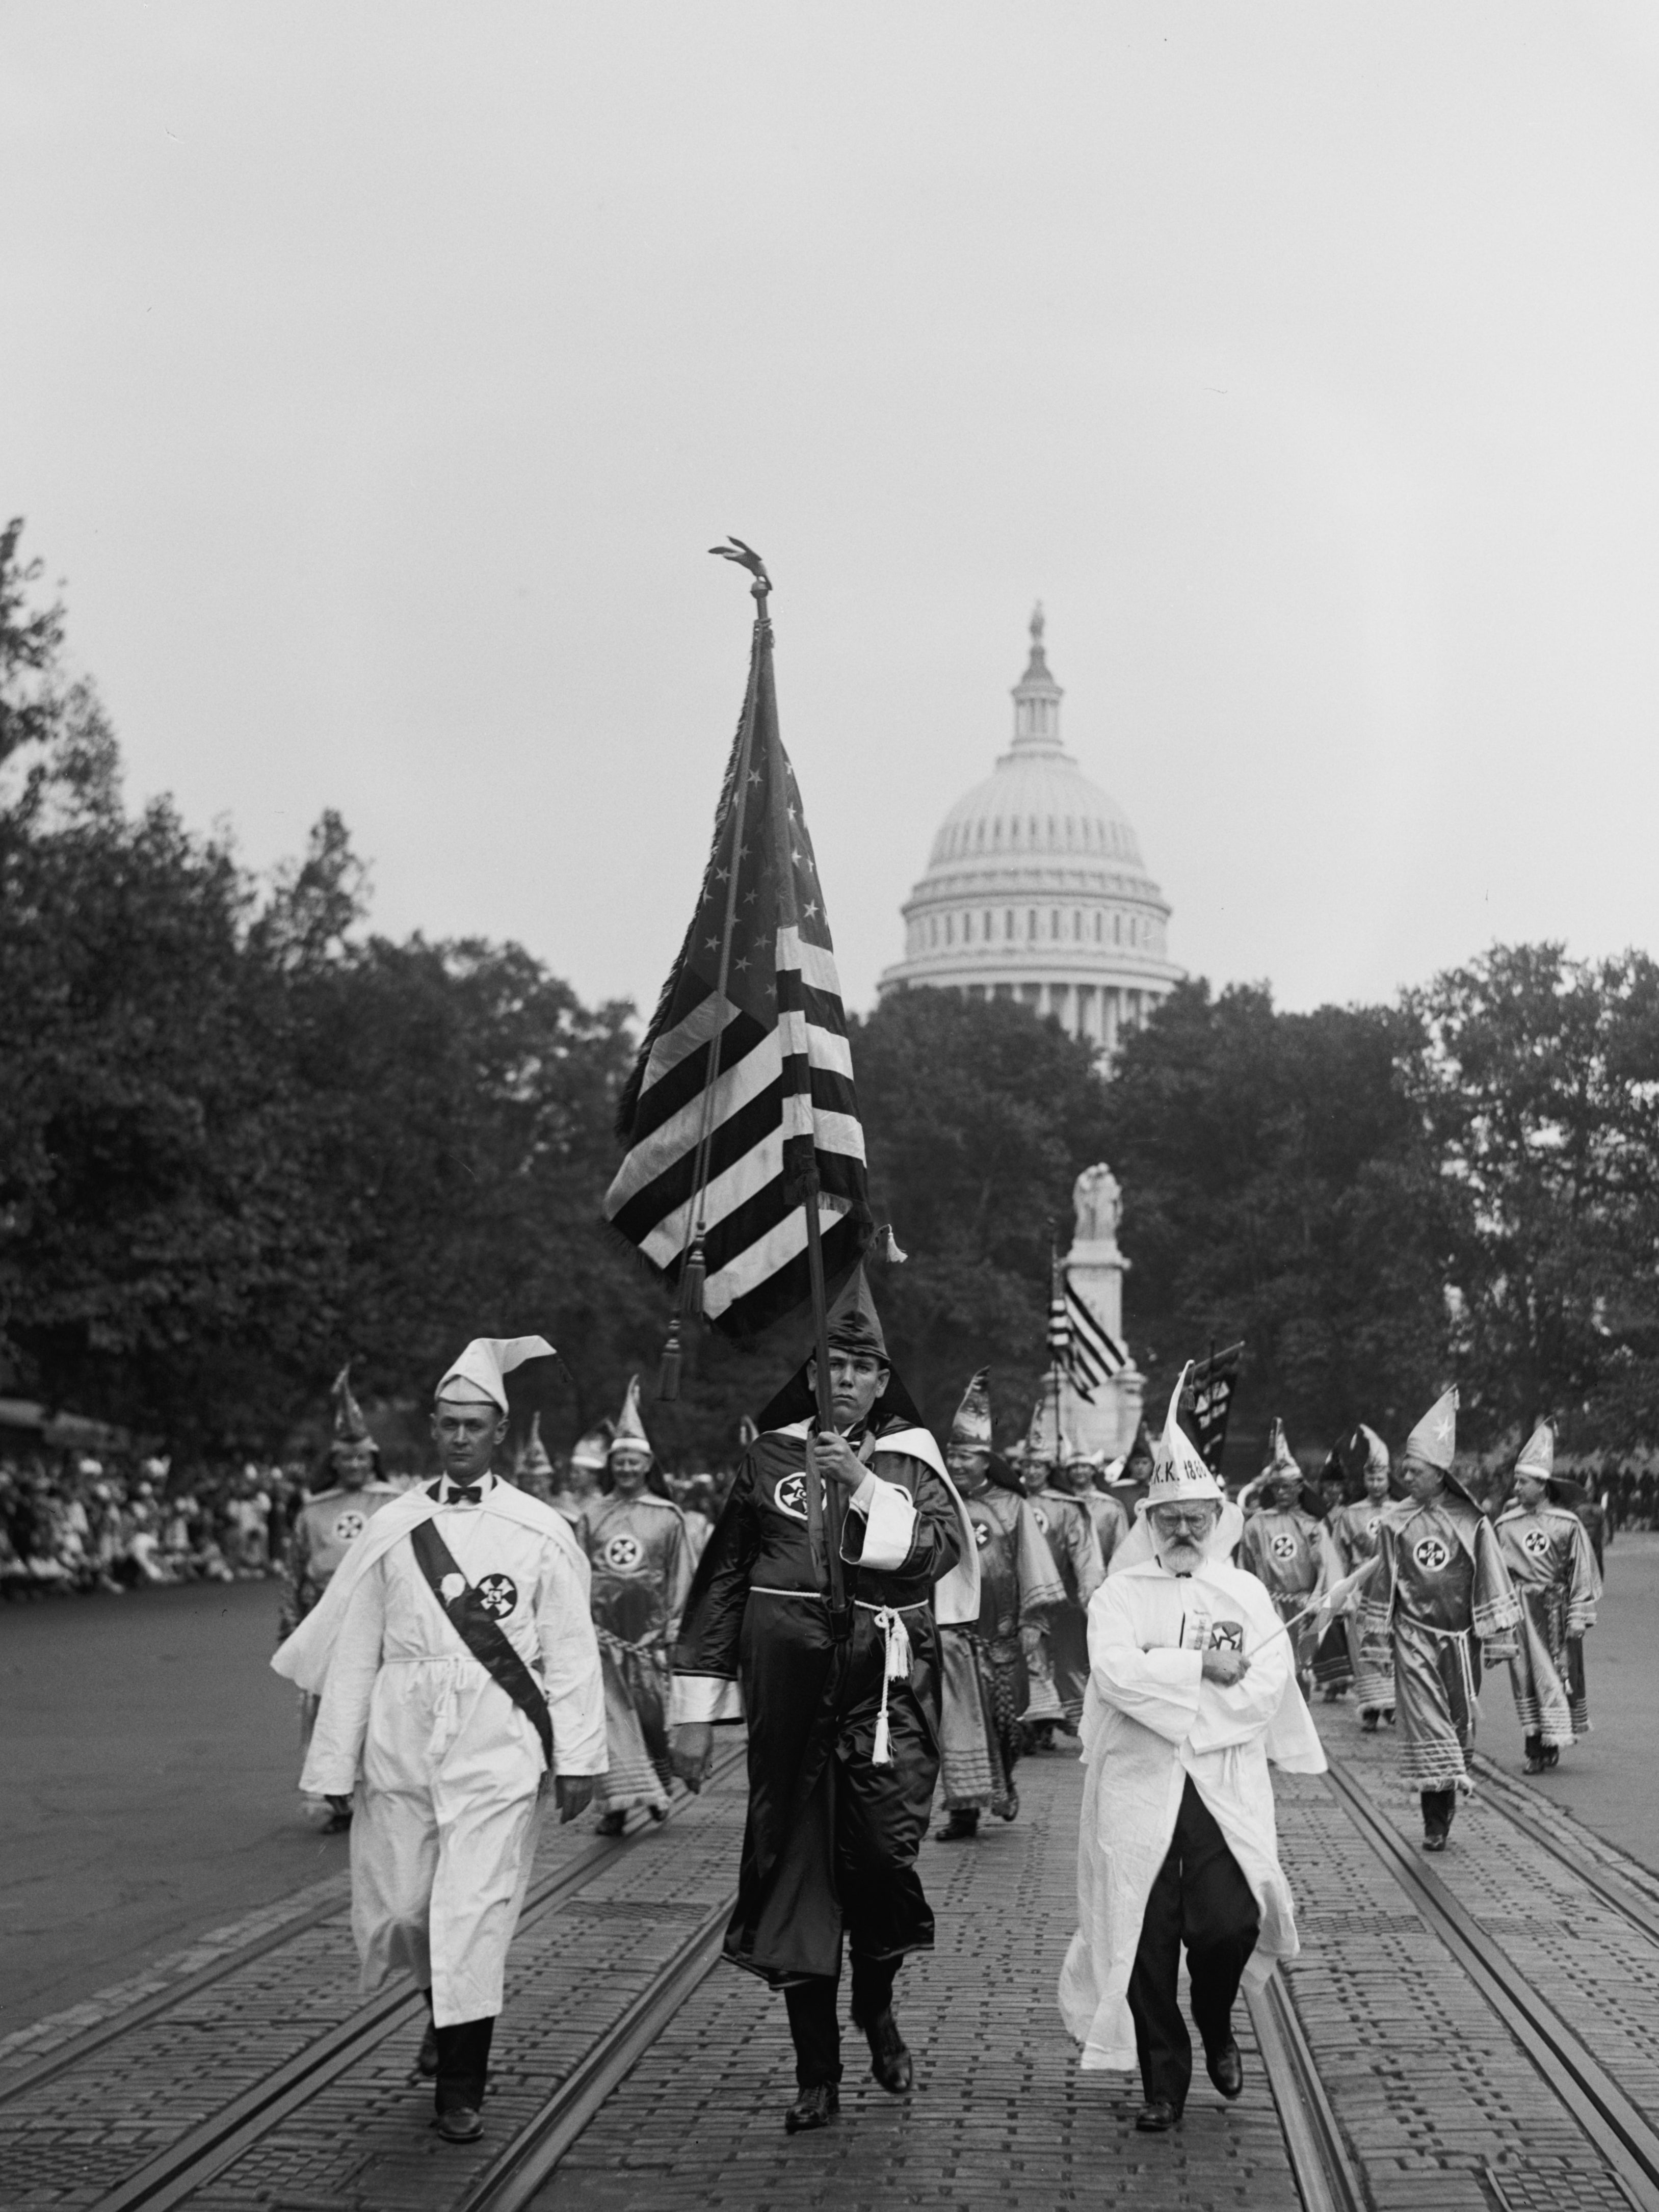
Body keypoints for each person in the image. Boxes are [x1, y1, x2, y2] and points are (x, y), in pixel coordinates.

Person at [272, 1335, 605, 2142]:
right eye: (448, 1423)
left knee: (473, 1911)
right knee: (400, 1912)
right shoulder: (393, 1525)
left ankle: (461, 2082)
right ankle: (443, 2009)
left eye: (475, 1424)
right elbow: (356, 1651)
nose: (460, 1437)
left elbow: (569, 1650)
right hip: (400, 1737)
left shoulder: (539, 1527)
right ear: (433, 1426)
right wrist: (331, 1764)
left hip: (497, 1740)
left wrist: (579, 1760)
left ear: (499, 1429)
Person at [667, 1268, 975, 2135]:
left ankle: (874, 2005)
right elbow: (725, 1580)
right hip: (790, 1702)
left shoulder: (912, 1461)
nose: (843, 1379)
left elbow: (933, 1556)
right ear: (811, 1374)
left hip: (885, 1702)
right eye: (830, 1364)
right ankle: (817, 2072)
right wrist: (695, 1712)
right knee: (796, 1877)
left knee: (879, 1867)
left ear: (882, 1381)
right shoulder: (766, 1458)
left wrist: (866, 1484)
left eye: (860, 1367)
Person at [1059, 1368, 1325, 2132]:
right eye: (1168, 1520)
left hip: (1218, 1784)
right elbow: (1113, 1673)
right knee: (1142, 1934)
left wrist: (1181, 1703)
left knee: (1226, 1924)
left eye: (1195, 1521)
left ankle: (1214, 2020)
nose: (1182, 1534)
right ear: (1149, 1522)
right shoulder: (1120, 1596)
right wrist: (1196, 1669)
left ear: (1214, 1519)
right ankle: (1161, 2084)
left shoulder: (1240, 1595)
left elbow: (1268, 1681)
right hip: (1138, 1788)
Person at [1357, 1389, 1519, 1852]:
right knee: (1427, 1722)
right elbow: (1382, 1583)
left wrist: (1497, 1639)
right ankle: (1433, 1822)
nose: (1405, 1477)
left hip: (1460, 1641)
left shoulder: (1472, 1522)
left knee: (1455, 1725)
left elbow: (1491, 1578)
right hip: (1413, 1638)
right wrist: (1376, 1640)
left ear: (1439, 1474)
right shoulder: (1394, 1522)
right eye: (1404, 1469)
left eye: (1415, 1470)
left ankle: (1444, 1805)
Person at [934, 1369, 1065, 1841]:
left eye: (966, 1455)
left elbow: (1033, 1565)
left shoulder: (1012, 1506)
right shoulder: (936, 1502)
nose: (957, 1463)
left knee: (1006, 1725)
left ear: (986, 1460)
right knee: (957, 1727)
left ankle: (1003, 1779)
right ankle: (963, 1811)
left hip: (1002, 1636)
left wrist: (1034, 1621)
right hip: (951, 1635)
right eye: (951, 1454)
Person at [279, 1366, 405, 1825]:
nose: (355, 1467)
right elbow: (294, 1572)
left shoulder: (397, 1503)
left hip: (380, 1625)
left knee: (375, 1709)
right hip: (325, 1623)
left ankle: (377, 1788)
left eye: (362, 1459)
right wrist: (291, 1628)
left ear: (373, 1459)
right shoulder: (312, 1511)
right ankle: (337, 1794)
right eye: (346, 1460)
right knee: (329, 1709)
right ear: (334, 1462)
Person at [584, 1376, 694, 1834]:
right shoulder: (591, 1515)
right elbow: (577, 1574)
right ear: (612, 1465)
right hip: (601, 1639)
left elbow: (681, 1577)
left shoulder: (668, 1517)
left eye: (634, 1461)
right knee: (608, 1723)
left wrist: (672, 1630)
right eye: (620, 1461)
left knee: (650, 1722)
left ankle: (657, 1790)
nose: (627, 1468)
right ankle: (614, 1806)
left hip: (649, 1641)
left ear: (648, 1465)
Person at [1496, 1421, 1601, 1774]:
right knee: (1524, 1677)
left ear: (1542, 1485)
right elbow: (1494, 1575)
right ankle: (1533, 1746)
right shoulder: (1504, 1526)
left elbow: (1581, 1574)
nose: (1516, 1487)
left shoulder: (1566, 1524)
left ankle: (1549, 1743)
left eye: (1523, 1481)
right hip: (1518, 1613)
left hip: (1554, 1612)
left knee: (1556, 1676)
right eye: (1515, 1481)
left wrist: (1577, 1617)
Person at [1236, 1424, 1341, 1696]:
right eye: (1277, 1487)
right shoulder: (1256, 1525)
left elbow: (1326, 1566)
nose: (1282, 1493)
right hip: (1269, 1607)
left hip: (1303, 1608)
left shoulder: (1313, 1526)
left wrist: (1318, 1598)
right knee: (1267, 1667)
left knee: (1299, 1668)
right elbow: (1244, 1568)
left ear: (1299, 1487)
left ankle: (1300, 1717)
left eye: (1287, 1487)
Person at [1023, 1417, 1105, 1741]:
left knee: (1065, 1661)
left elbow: (1084, 1553)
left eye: (1038, 1467)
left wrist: (1090, 1592)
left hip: (1060, 1595)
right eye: (1027, 1466)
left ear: (1049, 1470)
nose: (1031, 1472)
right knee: (1031, 1658)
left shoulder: (1067, 1508)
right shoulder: (1013, 1503)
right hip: (1021, 1597)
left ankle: (1068, 1722)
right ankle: (1032, 1725)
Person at [1326, 1425, 1401, 1732]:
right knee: (1362, 1648)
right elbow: (1339, 1557)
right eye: (1370, 1478)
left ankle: (1393, 1704)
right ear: (1364, 1481)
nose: (1375, 1483)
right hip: (1361, 1591)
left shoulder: (1401, 1512)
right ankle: (1370, 1706)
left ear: (1388, 1479)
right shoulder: (1350, 1514)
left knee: (1393, 1646)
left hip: (1394, 1591)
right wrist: (1341, 1592)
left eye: (1380, 1478)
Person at [550, 1423, 609, 1528]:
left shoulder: (602, 1504)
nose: (572, 1476)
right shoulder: (567, 1498)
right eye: (572, 1472)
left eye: (578, 1472)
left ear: (593, 1476)